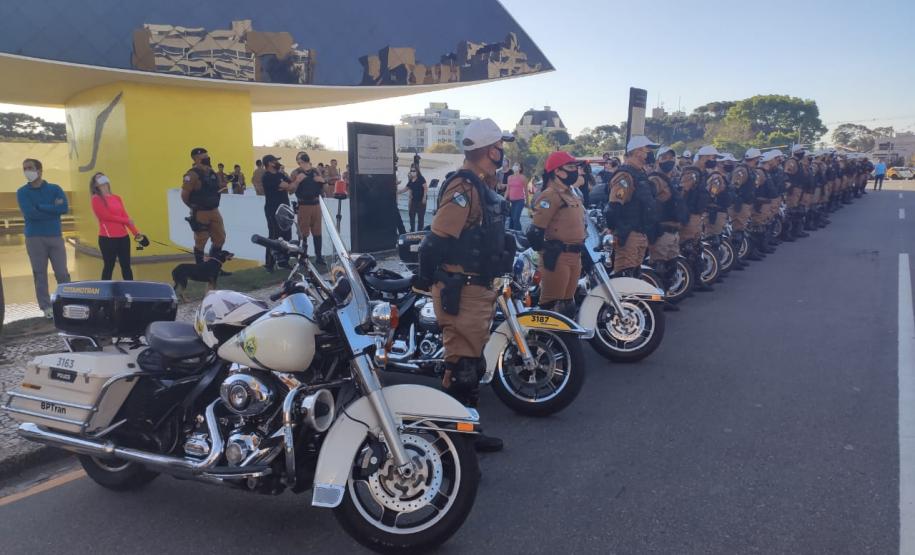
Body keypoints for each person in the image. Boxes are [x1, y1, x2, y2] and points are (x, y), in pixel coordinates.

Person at [414, 118, 515, 453]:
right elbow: (436, 240)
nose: (503, 152)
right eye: (500, 146)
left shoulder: (482, 185)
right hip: (463, 289)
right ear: (489, 150)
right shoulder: (464, 187)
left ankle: (466, 433)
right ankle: (454, 450)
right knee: (461, 368)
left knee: (472, 364)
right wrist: (426, 279)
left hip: (478, 288)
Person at [527, 151, 586, 316]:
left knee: (567, 305)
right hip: (558, 257)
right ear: (557, 171)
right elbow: (534, 232)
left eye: (576, 167)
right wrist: (549, 250)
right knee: (552, 307)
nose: (575, 170)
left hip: (575, 255)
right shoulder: (550, 195)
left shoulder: (570, 194)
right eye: (571, 167)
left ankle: (562, 342)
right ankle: (541, 340)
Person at [17, 158, 71, 318]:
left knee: (62, 272)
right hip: (34, 238)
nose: (27, 171)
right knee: (39, 273)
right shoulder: (22, 192)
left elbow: (63, 208)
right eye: (25, 168)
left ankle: (67, 302)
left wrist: (41, 206)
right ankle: (46, 307)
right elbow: (30, 213)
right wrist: (51, 208)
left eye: (30, 168)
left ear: (39, 170)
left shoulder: (55, 189)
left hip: (55, 236)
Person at [605, 136, 658, 277]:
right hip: (628, 234)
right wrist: (613, 229)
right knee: (625, 275)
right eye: (646, 151)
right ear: (637, 152)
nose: (648, 154)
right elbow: (614, 206)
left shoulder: (640, 173)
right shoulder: (624, 175)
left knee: (635, 274)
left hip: (640, 232)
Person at [647, 146, 687, 304]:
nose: (668, 161)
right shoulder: (655, 179)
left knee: (671, 265)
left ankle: (664, 298)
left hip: (673, 230)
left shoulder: (668, 179)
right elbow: (650, 203)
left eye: (671, 158)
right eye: (664, 158)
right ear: (658, 160)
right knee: (659, 266)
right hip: (662, 230)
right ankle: (655, 302)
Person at [679, 145, 717, 291]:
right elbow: (682, 194)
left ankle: (695, 281)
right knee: (687, 248)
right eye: (711, 158)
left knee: (695, 248)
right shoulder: (692, 172)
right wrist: (683, 215)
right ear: (704, 157)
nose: (713, 161)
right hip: (690, 216)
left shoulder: (701, 173)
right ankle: (687, 284)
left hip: (697, 215)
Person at [90, 172, 141, 281]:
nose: (102, 180)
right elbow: (106, 216)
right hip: (108, 239)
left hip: (123, 237)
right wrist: (125, 220)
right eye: (98, 179)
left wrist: (136, 233)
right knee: (109, 266)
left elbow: (124, 215)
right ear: (95, 184)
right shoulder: (96, 199)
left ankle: (130, 290)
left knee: (126, 266)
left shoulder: (117, 198)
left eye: (102, 177)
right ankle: (104, 293)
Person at [181, 147, 229, 265]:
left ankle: (214, 265)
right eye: (204, 156)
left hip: (214, 210)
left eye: (207, 156)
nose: (207, 158)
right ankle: (200, 267)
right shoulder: (192, 174)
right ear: (196, 158)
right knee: (201, 240)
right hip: (200, 212)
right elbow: (184, 195)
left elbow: (217, 187)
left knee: (220, 238)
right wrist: (193, 207)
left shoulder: (211, 172)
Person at [261, 154, 299, 271]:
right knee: (274, 236)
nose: (277, 163)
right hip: (273, 209)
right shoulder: (267, 176)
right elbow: (288, 186)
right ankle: (269, 264)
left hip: (285, 208)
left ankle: (284, 262)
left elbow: (292, 189)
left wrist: (289, 185)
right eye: (274, 161)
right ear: (269, 164)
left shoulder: (281, 174)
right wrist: (292, 183)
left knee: (286, 234)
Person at [290, 152, 327, 266]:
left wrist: (322, 181)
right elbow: (291, 190)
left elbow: (324, 187)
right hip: (304, 205)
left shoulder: (315, 171)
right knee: (303, 233)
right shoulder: (295, 172)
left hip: (316, 204)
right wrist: (297, 181)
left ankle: (319, 257)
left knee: (317, 233)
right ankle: (303, 257)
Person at [728, 149, 762, 269]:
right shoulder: (742, 170)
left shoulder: (749, 170)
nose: (758, 161)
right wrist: (737, 200)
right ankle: (733, 259)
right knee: (737, 231)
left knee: (741, 230)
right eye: (757, 158)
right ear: (754, 158)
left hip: (745, 204)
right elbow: (734, 187)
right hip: (740, 205)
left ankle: (736, 257)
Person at [399, 165, 428, 232]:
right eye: (411, 171)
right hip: (414, 201)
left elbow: (425, 188)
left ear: (417, 171)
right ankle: (412, 230)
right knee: (411, 216)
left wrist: (424, 197)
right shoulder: (411, 180)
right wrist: (397, 192)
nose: (412, 172)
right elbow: (405, 189)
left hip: (421, 201)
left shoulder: (421, 178)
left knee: (420, 218)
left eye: (414, 171)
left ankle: (419, 232)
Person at [506, 162, 527, 231]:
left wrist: (528, 202)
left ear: (520, 168)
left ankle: (518, 234)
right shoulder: (509, 177)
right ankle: (511, 234)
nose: (515, 166)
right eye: (514, 165)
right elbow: (508, 189)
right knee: (511, 220)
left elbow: (526, 191)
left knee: (515, 218)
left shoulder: (523, 177)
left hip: (520, 201)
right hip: (511, 201)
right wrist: (503, 199)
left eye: (517, 165)